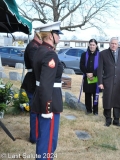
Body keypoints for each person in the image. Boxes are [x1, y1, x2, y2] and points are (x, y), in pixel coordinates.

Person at [31, 21, 63, 159]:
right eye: (57, 34)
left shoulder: (39, 50)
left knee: (43, 140)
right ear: (50, 35)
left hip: (40, 98)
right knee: (48, 142)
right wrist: (47, 108)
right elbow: (46, 84)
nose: (59, 37)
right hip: (49, 102)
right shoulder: (50, 54)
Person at [97, 37, 120, 127]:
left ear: (118, 45)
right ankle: (108, 119)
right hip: (107, 81)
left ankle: (116, 120)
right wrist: (100, 82)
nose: (113, 45)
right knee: (107, 100)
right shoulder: (103, 54)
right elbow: (100, 69)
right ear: (109, 44)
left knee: (118, 100)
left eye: (115, 44)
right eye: (112, 43)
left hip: (119, 82)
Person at [21, 31, 42, 144]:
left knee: (37, 110)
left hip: (35, 80)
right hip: (32, 81)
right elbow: (36, 64)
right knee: (34, 111)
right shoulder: (33, 47)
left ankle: (37, 135)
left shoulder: (36, 46)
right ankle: (34, 137)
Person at [80, 39, 100, 115]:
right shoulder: (84, 55)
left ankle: (95, 111)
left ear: (96, 45)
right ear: (88, 45)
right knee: (87, 94)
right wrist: (87, 73)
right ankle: (88, 110)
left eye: (93, 45)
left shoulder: (100, 55)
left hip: (96, 77)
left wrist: (93, 73)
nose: (92, 46)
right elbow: (81, 65)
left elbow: (101, 66)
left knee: (95, 94)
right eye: (90, 45)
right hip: (87, 77)